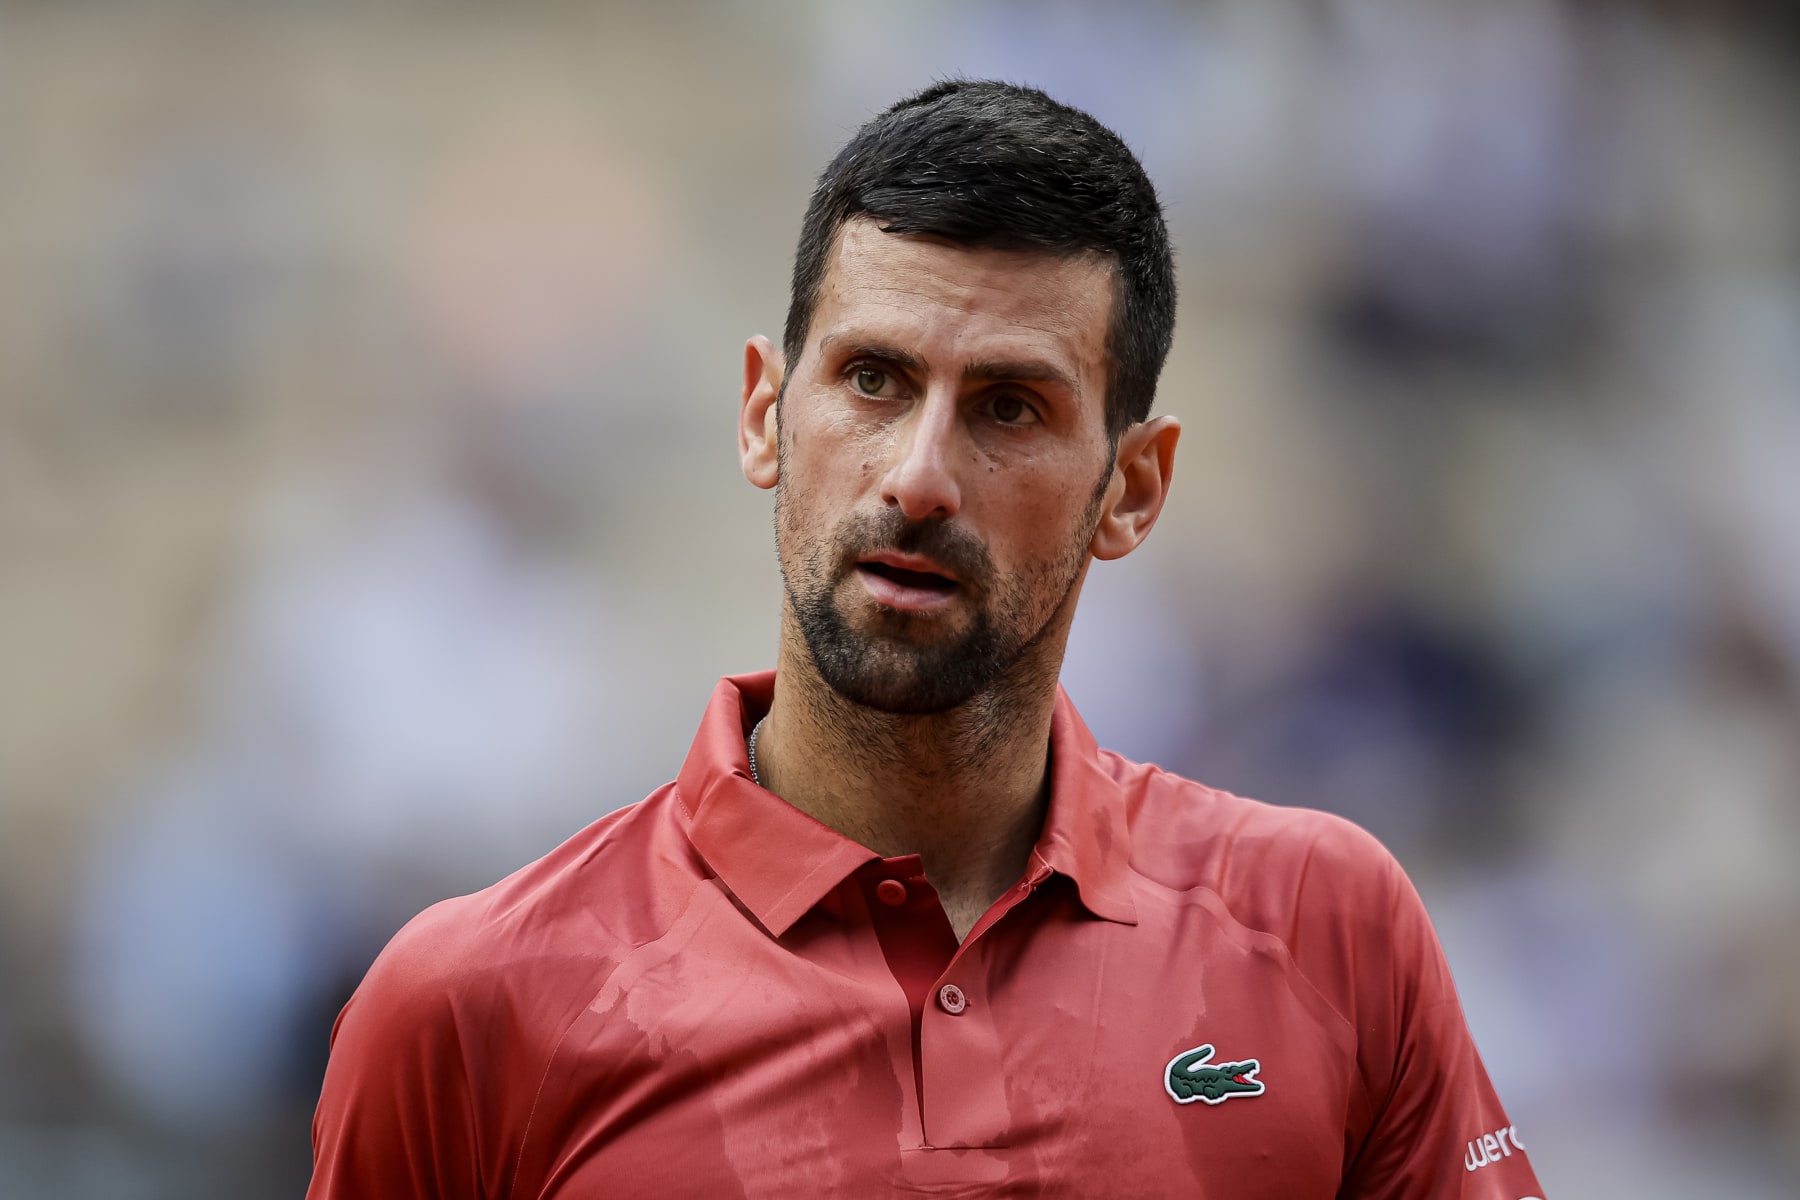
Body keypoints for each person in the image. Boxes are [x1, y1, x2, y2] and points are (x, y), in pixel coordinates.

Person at [308, 80, 1545, 1199]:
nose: (918, 477)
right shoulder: (471, 1010)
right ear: (761, 417)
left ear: (1133, 489)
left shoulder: (1328, 930)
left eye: (1009, 406)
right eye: (873, 380)